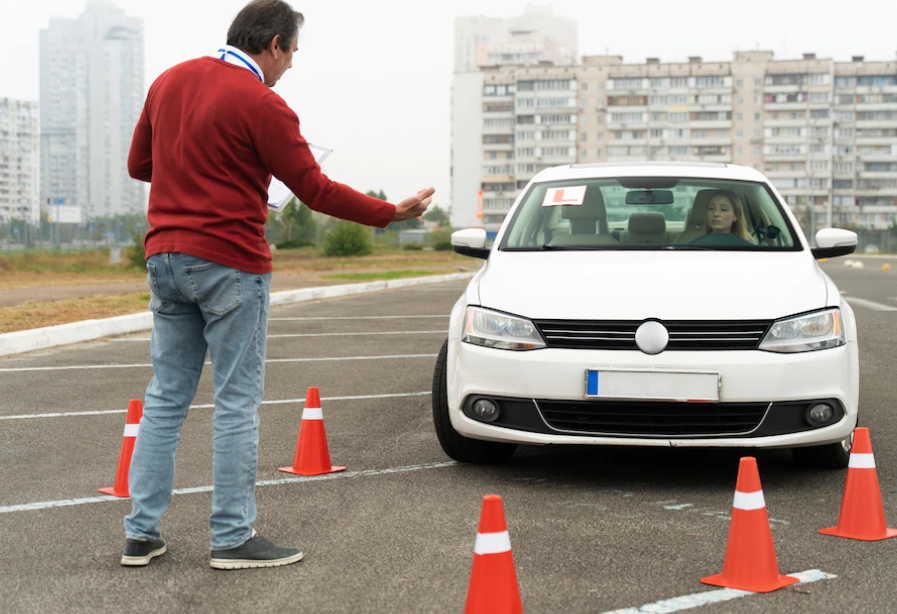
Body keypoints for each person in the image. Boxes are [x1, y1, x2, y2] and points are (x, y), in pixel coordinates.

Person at [121, 0, 433, 570]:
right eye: (292, 53)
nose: (291, 65)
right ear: (272, 45)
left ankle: (141, 534)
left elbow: (140, 164)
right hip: (229, 263)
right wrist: (390, 212)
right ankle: (232, 538)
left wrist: (201, 170)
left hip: (165, 257)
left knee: (166, 399)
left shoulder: (169, 81)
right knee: (237, 402)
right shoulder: (263, 102)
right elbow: (313, 188)